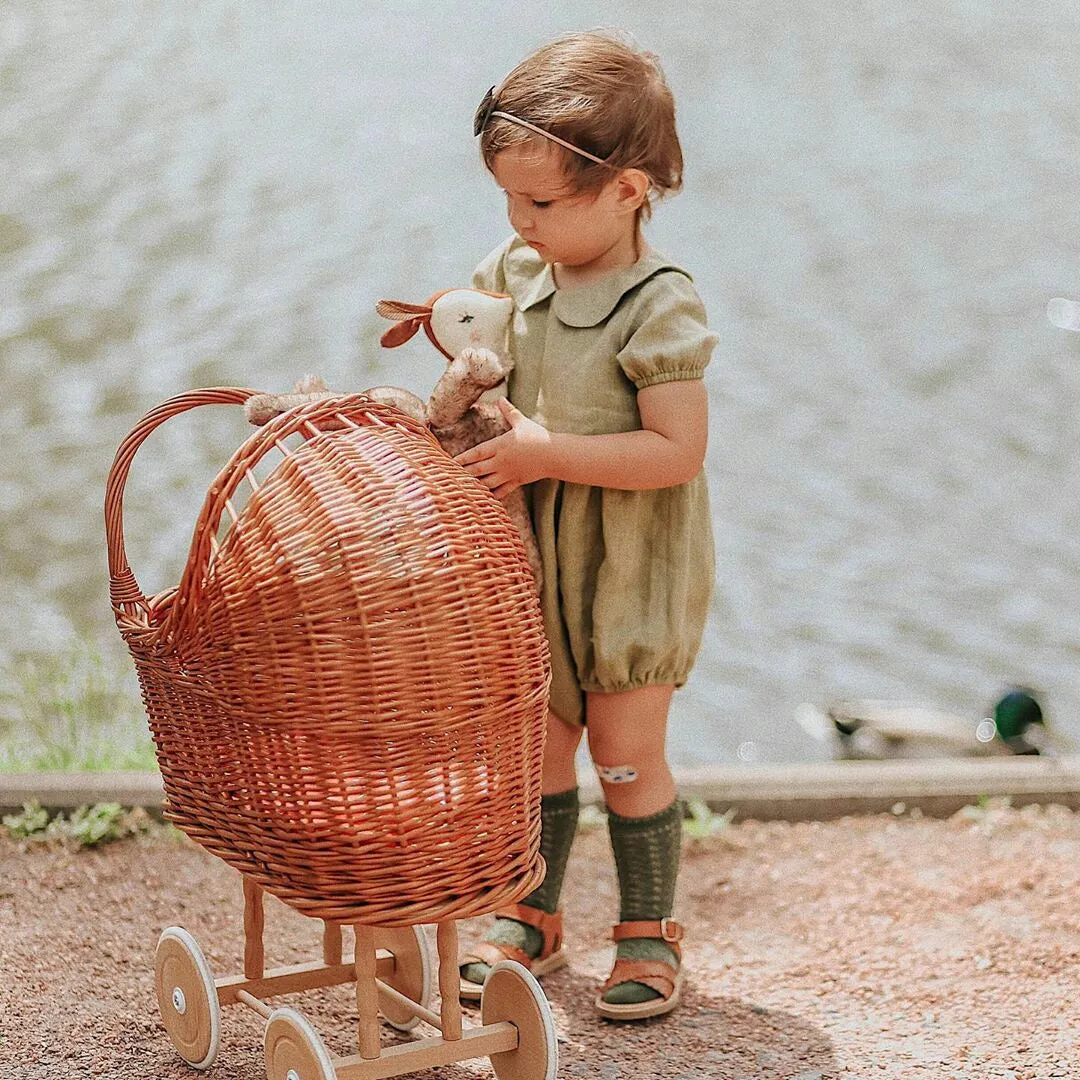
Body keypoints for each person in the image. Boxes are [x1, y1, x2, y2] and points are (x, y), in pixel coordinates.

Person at [454, 30, 717, 1021]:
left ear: (629, 190)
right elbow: (470, 341)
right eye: (509, 200)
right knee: (540, 740)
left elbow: (675, 453)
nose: (521, 222)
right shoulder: (518, 275)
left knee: (624, 749)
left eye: (544, 203)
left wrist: (544, 452)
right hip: (534, 561)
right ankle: (534, 909)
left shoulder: (658, 306)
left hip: (629, 570)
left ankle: (649, 931)